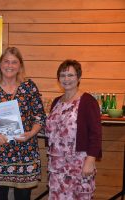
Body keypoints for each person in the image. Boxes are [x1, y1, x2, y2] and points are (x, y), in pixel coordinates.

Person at [0, 47, 46, 200]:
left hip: (25, 150)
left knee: (23, 196)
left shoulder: (29, 87)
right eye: (6, 61)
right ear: (0, 64)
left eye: (14, 62)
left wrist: (31, 133)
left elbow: (39, 116)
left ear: (20, 65)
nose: (10, 65)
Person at [45, 59, 102, 199]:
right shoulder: (56, 102)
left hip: (79, 164)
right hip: (57, 165)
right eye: (63, 75)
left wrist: (90, 161)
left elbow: (96, 134)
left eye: (70, 75)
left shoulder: (88, 101)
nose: (66, 79)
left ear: (79, 77)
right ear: (58, 79)